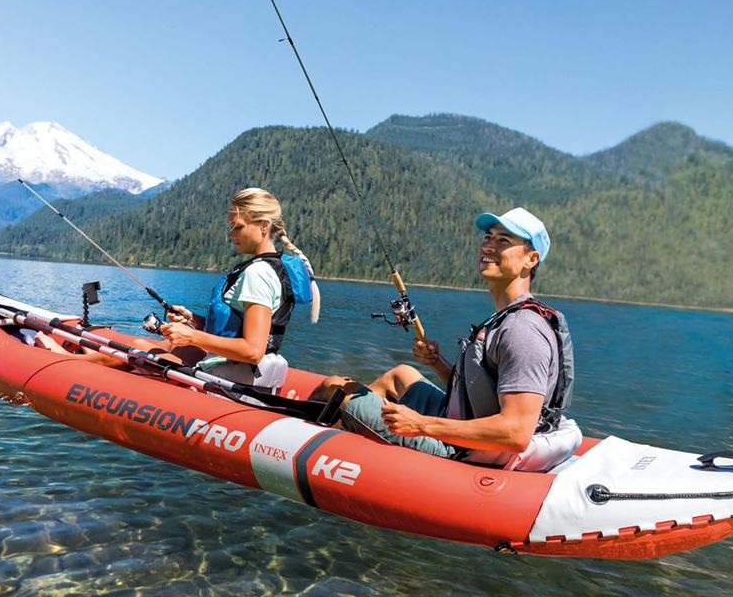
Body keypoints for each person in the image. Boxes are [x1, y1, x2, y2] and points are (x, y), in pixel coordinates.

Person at [316, 207, 580, 472]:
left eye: (504, 241)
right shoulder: (507, 317)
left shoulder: (523, 331)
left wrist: (420, 425)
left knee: (337, 388)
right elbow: (483, 392)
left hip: (466, 449)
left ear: (531, 259)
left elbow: (515, 433)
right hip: (464, 421)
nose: (488, 246)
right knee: (401, 374)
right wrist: (437, 363)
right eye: (488, 238)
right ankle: (351, 429)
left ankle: (310, 426)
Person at [37, 187, 319, 392]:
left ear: (263, 226)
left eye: (237, 226)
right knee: (163, 345)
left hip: (235, 375)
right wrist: (194, 322)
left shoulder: (257, 274)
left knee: (142, 348)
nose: (231, 234)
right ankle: (85, 360)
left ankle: (63, 361)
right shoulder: (273, 267)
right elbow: (244, 329)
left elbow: (252, 350)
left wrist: (193, 336)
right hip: (240, 370)